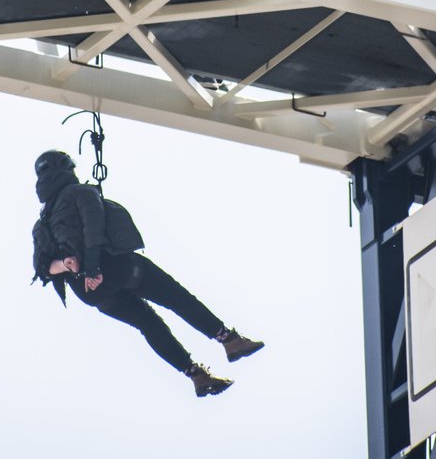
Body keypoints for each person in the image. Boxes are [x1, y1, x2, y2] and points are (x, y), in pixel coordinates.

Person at [29, 150, 263, 397]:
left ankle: (197, 376)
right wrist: (93, 268)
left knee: (148, 324)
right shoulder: (81, 193)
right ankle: (229, 340)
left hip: (90, 293)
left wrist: (69, 265)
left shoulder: (41, 222)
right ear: (67, 169)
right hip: (114, 268)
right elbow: (93, 229)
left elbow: (41, 269)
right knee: (177, 298)